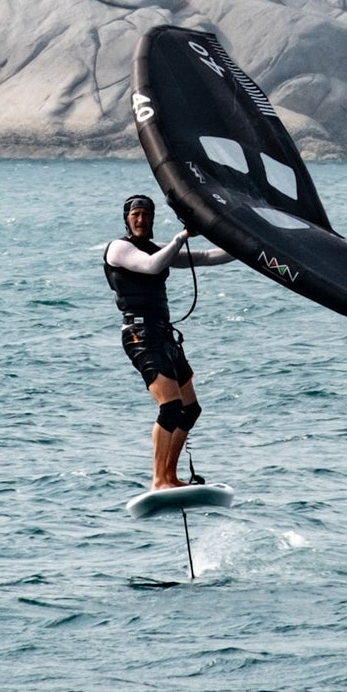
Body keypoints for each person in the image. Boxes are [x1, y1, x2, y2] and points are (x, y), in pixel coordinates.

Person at [102, 193, 236, 489]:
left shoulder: (155, 248)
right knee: (170, 406)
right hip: (140, 336)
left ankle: (171, 477)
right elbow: (151, 265)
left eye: (146, 215)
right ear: (127, 219)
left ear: (151, 219)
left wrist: (247, 247)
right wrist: (183, 235)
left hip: (164, 336)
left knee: (190, 409)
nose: (141, 220)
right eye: (135, 215)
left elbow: (203, 257)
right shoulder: (118, 249)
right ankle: (159, 480)